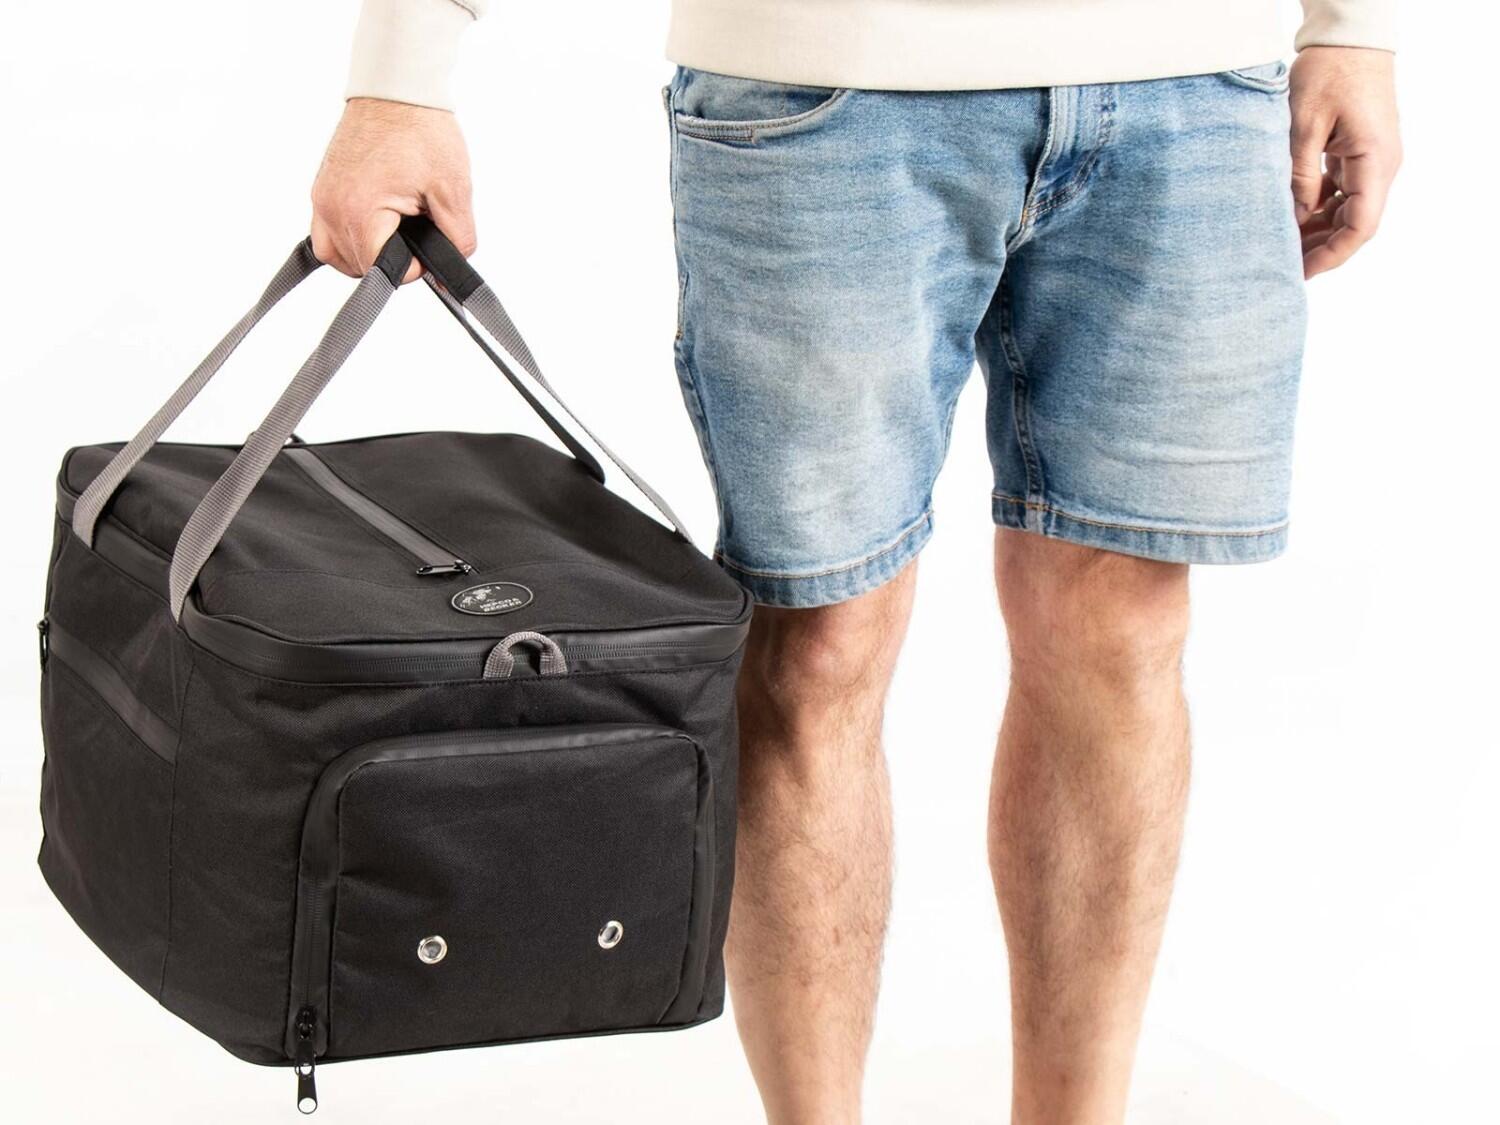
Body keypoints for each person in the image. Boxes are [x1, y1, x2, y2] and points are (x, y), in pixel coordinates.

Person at [311, 2, 1401, 1122]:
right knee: (818, 649)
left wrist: (1353, 27)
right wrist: (399, 76)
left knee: (1121, 635)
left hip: (1195, 83)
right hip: (827, 88)